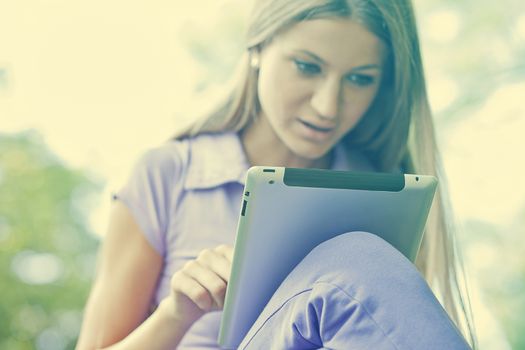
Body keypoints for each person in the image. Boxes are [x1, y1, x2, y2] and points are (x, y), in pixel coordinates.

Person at [76, 0, 477, 349]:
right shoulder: (169, 174)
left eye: (359, 79)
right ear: (258, 46)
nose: (327, 106)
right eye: (307, 67)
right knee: (358, 255)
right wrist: (178, 312)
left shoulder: (388, 191)